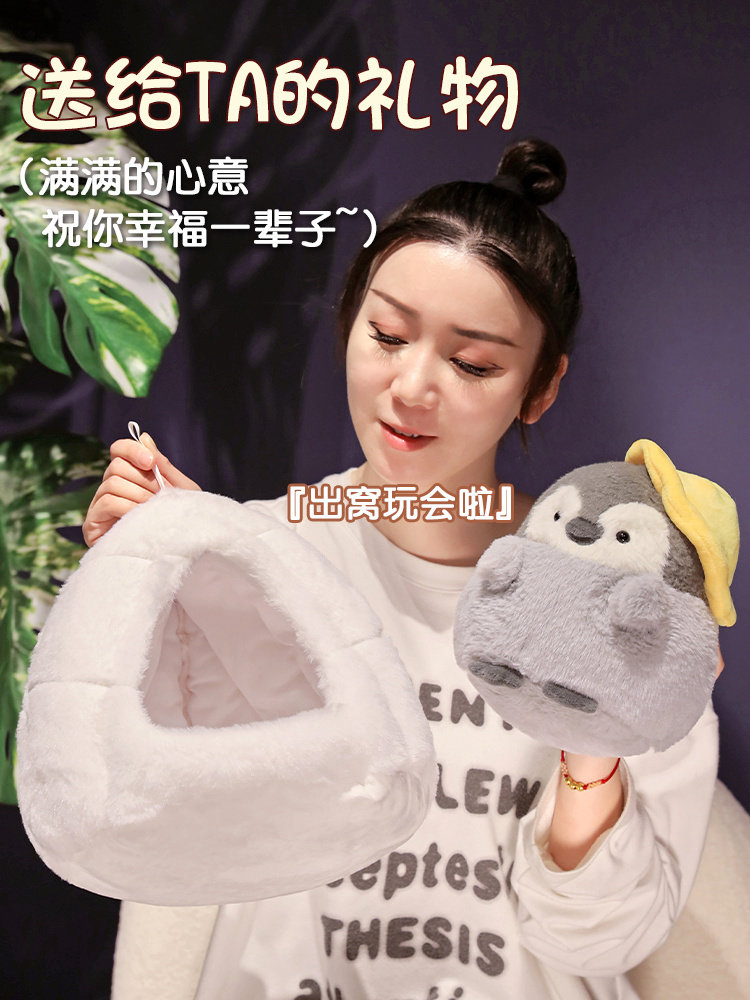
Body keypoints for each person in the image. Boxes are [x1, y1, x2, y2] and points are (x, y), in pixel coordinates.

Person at [82, 138, 718, 1000]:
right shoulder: (257, 550)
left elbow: (601, 936)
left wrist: (596, 741)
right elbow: (141, 813)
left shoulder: (621, 600)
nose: (411, 387)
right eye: (385, 335)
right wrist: (145, 593)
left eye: (472, 363)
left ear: (540, 386)